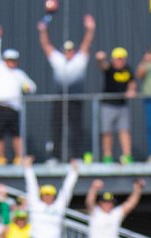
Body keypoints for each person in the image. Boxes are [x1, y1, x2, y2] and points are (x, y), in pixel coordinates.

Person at [38, 13, 95, 161]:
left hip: (75, 99)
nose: (68, 52)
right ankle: (55, 156)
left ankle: (77, 156)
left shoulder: (79, 60)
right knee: (57, 128)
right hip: (60, 99)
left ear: (74, 51)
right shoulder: (58, 60)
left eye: (71, 50)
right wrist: (43, 31)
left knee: (76, 128)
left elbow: (86, 44)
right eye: (66, 50)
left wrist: (90, 29)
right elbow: (46, 46)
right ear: (63, 51)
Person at [0, 26, 37, 166]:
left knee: (16, 134)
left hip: (14, 108)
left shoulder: (19, 74)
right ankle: (0, 158)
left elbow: (32, 86)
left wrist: (27, 87)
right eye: (9, 59)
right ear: (5, 60)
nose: (11, 62)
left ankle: (18, 158)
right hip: (0, 106)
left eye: (13, 60)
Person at [22, 155, 78, 238]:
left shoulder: (59, 206)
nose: (48, 197)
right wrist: (28, 168)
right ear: (41, 195)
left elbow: (67, 190)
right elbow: (31, 187)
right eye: (45, 194)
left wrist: (74, 172)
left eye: (50, 194)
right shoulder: (36, 205)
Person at [94, 47, 135, 164]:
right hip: (108, 105)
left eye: (121, 59)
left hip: (122, 105)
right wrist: (100, 60)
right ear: (113, 59)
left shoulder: (128, 69)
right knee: (107, 132)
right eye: (117, 59)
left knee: (124, 130)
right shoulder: (110, 68)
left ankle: (127, 155)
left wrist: (131, 90)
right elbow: (103, 66)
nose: (119, 61)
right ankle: (107, 156)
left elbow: (132, 82)